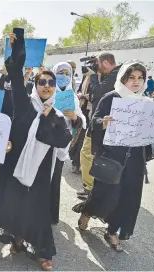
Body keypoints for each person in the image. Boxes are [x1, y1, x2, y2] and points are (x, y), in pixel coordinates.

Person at [0, 32, 72, 271]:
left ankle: (44, 252)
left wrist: (48, 120)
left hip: (38, 173)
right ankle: (16, 240)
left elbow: (63, 140)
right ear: (35, 86)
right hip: (15, 166)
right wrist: (18, 42)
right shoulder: (25, 105)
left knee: (37, 212)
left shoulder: (56, 115)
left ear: (55, 87)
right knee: (14, 205)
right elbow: (15, 75)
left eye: (50, 83)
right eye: (41, 82)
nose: (46, 86)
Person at [73, 61, 152, 252]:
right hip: (112, 157)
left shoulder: (145, 103)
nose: (136, 82)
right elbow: (94, 122)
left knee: (127, 197)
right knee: (104, 193)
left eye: (140, 78)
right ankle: (87, 212)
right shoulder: (111, 98)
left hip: (134, 159)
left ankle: (112, 231)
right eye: (131, 77)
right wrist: (103, 123)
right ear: (123, 78)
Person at [78, 53, 121, 199]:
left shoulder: (115, 75)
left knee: (87, 154)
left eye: (98, 64)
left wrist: (93, 76)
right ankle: (93, 189)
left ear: (106, 63)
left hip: (103, 123)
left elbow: (97, 93)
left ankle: (91, 190)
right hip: (101, 121)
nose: (97, 68)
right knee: (91, 155)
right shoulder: (114, 75)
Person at [50, 62, 86, 224]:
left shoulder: (72, 96)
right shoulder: (45, 89)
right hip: (43, 142)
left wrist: (74, 117)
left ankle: (51, 214)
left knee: (55, 178)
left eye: (66, 73)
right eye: (60, 72)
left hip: (61, 144)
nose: (63, 76)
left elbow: (82, 121)